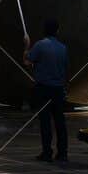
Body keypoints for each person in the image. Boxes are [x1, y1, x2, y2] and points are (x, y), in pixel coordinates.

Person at [25, 18, 69, 163]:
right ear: (57, 31)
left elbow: (27, 62)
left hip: (43, 89)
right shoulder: (63, 48)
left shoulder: (39, 45)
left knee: (45, 122)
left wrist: (26, 46)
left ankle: (47, 152)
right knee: (60, 123)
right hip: (58, 89)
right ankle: (62, 153)